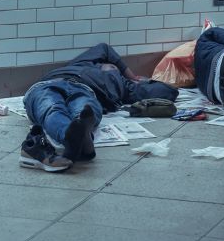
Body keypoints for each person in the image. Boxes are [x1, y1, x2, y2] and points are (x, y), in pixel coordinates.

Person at [22, 43, 179, 172]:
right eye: (111, 66)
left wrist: (141, 82)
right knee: (51, 107)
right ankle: (78, 140)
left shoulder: (126, 87)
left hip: (85, 90)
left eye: (115, 70)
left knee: (85, 110)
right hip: (48, 84)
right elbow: (104, 48)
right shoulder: (83, 63)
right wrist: (130, 74)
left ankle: (76, 136)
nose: (113, 69)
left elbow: (169, 92)